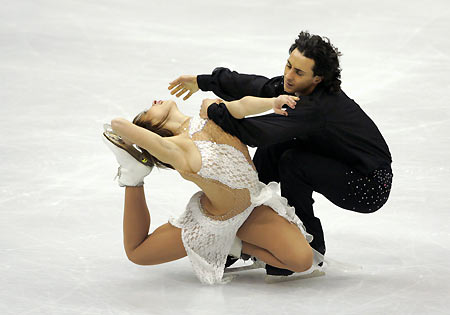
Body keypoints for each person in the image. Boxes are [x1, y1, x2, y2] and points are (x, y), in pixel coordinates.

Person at [168, 31, 393, 276]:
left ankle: (308, 245)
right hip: (342, 161)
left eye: (299, 72)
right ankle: (243, 226)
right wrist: (203, 82)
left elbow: (257, 133)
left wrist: (217, 112)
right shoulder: (297, 89)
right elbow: (257, 86)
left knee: (293, 162)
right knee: (272, 151)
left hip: (369, 184)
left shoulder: (317, 107)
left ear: (317, 78)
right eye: (288, 65)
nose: (289, 75)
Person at [103, 96, 323, 285]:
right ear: (151, 130)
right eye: (146, 112)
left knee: (302, 261)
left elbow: (242, 106)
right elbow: (118, 124)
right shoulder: (178, 150)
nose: (153, 103)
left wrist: (272, 102)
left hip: (251, 208)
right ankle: (133, 177)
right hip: (214, 223)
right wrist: (136, 140)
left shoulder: (209, 112)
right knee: (137, 252)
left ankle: (235, 243)